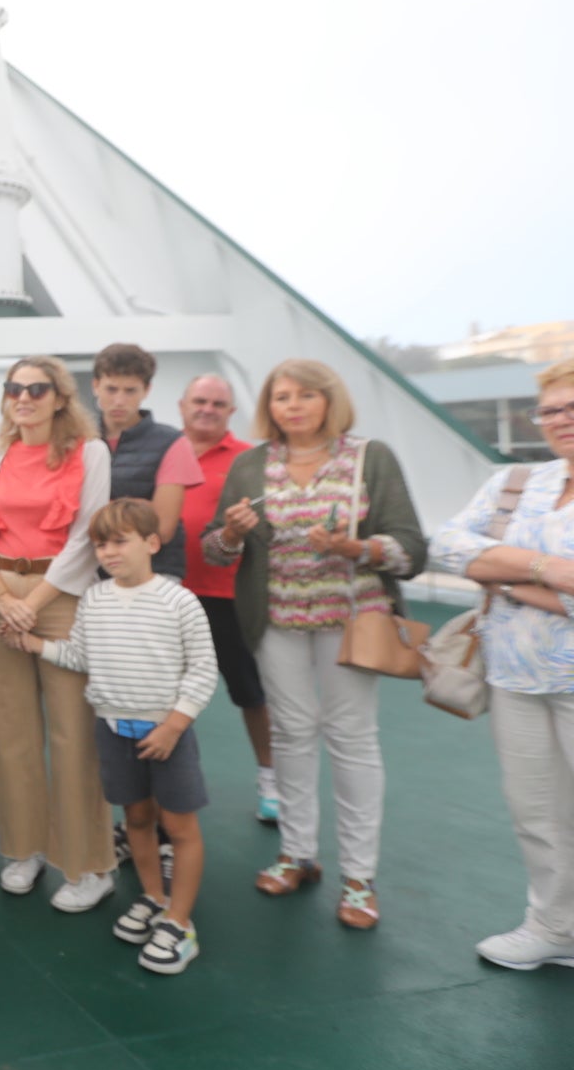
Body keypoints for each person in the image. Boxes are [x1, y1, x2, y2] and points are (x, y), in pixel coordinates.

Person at [202, 359, 426, 930]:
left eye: (305, 395)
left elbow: (410, 548)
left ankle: (359, 877)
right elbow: (217, 551)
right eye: (281, 397)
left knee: (351, 738)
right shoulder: (252, 465)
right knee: (291, 734)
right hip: (275, 619)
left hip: (350, 620)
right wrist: (229, 534)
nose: (292, 405)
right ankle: (297, 854)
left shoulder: (369, 458)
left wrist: (358, 549)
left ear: (330, 400)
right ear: (269, 407)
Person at [22, 499, 217, 974]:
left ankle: (179, 921)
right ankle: (153, 897)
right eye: (100, 544)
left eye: (120, 541)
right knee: (135, 818)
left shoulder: (179, 601)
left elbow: (203, 670)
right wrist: (35, 644)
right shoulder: (95, 599)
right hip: (113, 730)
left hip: (166, 734)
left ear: (151, 543)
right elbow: (80, 656)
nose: (108, 552)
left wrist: (174, 725)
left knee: (180, 827)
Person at [429, 357, 574, 970]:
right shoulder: (519, 481)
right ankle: (555, 928)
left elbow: (482, 560)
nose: (561, 420)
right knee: (535, 809)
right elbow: (449, 546)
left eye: (572, 407)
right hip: (512, 673)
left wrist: (503, 572)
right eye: (551, 409)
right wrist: (544, 573)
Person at [0, 355, 117, 910]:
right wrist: (5, 597)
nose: (23, 397)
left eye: (36, 388)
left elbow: (86, 535)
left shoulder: (89, 452)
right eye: (14, 388)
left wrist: (34, 601)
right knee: (12, 732)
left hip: (61, 599)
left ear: (59, 397)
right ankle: (23, 850)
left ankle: (90, 864)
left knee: (73, 733)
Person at [178, 375, 276, 821]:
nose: (207, 409)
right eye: (200, 401)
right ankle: (172, 783)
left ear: (230, 412)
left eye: (218, 403)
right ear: (183, 405)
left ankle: (272, 781)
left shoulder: (249, 460)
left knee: (252, 694)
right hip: (170, 595)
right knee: (167, 696)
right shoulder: (165, 453)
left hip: (229, 597)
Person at [90, 344, 204, 579]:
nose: (119, 400)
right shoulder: (76, 439)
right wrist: (138, 508)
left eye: (130, 391)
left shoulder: (172, 442)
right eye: (111, 389)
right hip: (87, 572)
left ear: (147, 390)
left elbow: (163, 528)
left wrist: (96, 511)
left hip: (155, 573)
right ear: (95, 386)